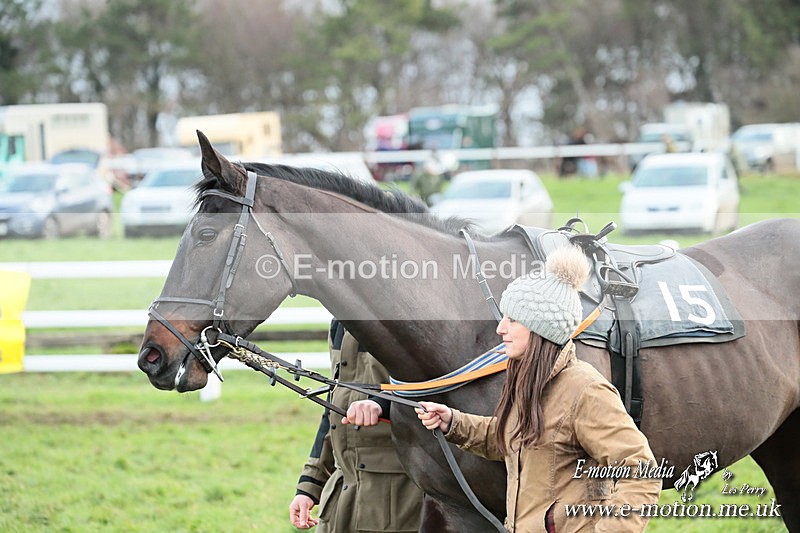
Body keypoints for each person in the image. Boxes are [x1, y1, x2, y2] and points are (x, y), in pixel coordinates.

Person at [417, 246, 662, 532]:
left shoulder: (586, 390)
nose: (500, 328)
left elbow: (642, 472)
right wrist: (453, 422)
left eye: (513, 319)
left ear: (541, 329)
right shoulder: (530, 381)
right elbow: (513, 441)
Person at [289, 320, 424, 532]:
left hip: (395, 506)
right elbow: (334, 408)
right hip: (338, 502)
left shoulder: (411, 311)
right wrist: (308, 487)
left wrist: (381, 405)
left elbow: (437, 385)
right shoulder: (340, 321)